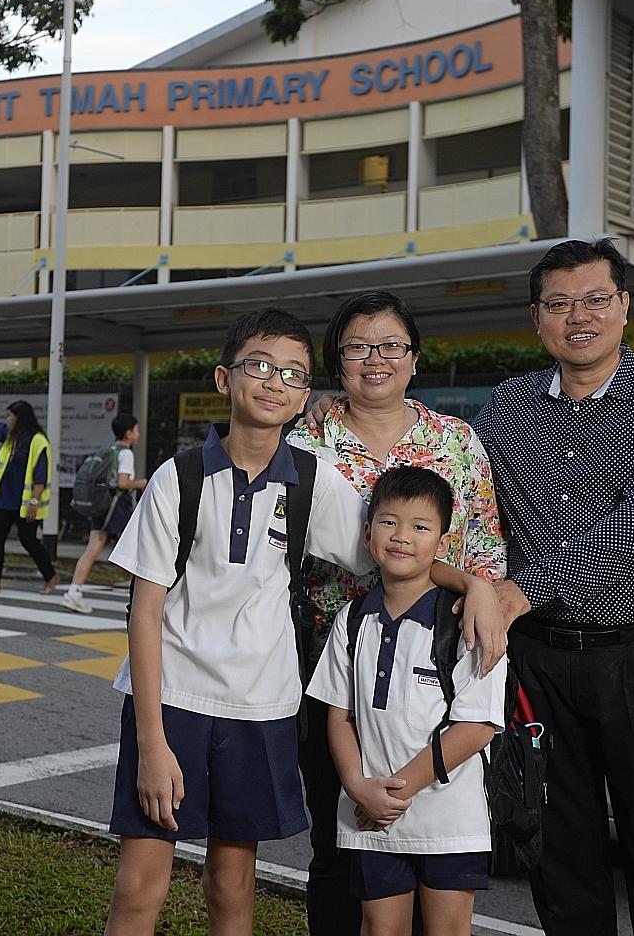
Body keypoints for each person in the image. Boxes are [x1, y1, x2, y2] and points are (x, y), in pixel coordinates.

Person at [102, 308, 499, 936]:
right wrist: (152, 743)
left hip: (263, 706)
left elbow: (394, 549)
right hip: (173, 701)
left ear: (306, 393)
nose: (272, 381)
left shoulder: (314, 480)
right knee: (140, 888)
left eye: (291, 372)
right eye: (257, 366)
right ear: (223, 378)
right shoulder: (178, 479)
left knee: (233, 886)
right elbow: (144, 610)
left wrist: (472, 583)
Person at [473, 237, 634, 936]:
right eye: (559, 303)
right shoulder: (510, 406)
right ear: (537, 317)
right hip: (539, 666)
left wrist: (524, 588)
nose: (579, 316)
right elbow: (455, 484)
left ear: (624, 307)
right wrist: (339, 422)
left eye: (595, 299)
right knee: (561, 870)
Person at [287, 290, 506, 934]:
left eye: (390, 346)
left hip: (438, 661)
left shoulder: (457, 441)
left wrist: (482, 591)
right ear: (337, 363)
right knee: (339, 842)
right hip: (338, 658)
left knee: (435, 846)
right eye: (357, 348)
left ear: (414, 359)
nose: (374, 359)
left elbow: (484, 546)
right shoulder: (305, 440)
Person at [307, 465, 507, 936]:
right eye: (389, 522)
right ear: (368, 531)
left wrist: (390, 793)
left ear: (442, 542)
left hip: (447, 819)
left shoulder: (467, 623)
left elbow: (477, 727)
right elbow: (338, 714)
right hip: (369, 817)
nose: (402, 537)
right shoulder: (353, 620)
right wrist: (358, 786)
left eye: (420, 527)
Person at [61, 413, 146, 615]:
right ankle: (146, 595)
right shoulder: (126, 454)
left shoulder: (108, 450)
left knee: (94, 548)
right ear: (129, 434)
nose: (138, 434)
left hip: (102, 504)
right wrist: (142, 482)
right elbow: (123, 483)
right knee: (135, 549)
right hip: (116, 507)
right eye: (137, 430)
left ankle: (74, 591)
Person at [0, 399, 59, 596]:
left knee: (28, 540)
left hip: (24, 503)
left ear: (20, 418)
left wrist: (34, 501)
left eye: (11, 416)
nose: (8, 419)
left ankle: (50, 576)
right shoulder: (9, 435)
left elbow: (41, 474)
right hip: (4, 499)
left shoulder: (37, 440)